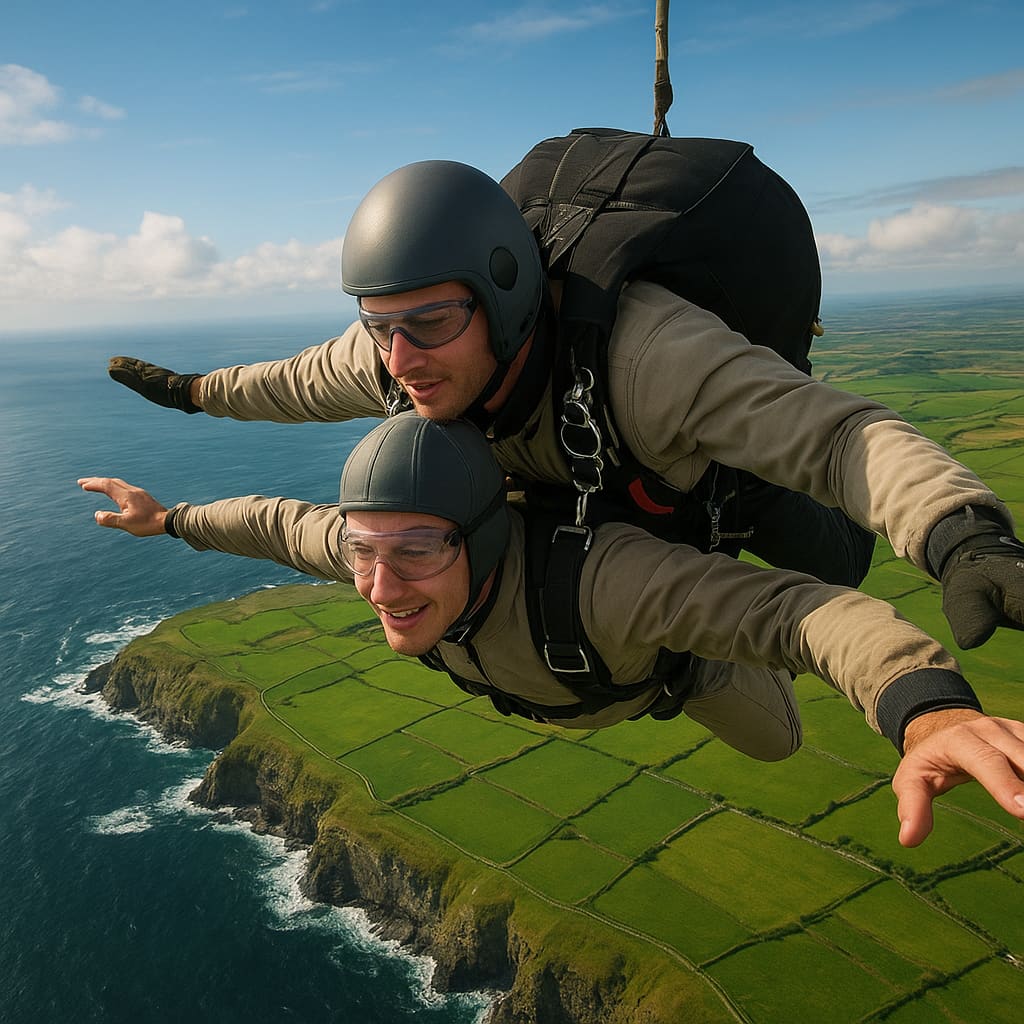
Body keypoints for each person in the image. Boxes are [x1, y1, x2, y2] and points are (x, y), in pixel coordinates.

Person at [107, 159, 1024, 650]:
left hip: (715, 476)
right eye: (377, 323)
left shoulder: (644, 355)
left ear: (502, 296)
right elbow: (290, 382)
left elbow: (836, 437)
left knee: (836, 568)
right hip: (603, 499)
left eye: (426, 322)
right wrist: (187, 396)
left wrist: (960, 535)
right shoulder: (400, 352)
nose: (399, 357)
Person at [80, 413, 1024, 849]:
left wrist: (926, 711)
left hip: (663, 666)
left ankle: (713, 578)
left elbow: (794, 614)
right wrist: (169, 520)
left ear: (483, 539)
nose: (380, 583)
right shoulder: (374, 550)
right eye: (364, 550)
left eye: (415, 551)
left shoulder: (606, 585)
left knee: (778, 743)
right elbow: (280, 525)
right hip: (582, 681)